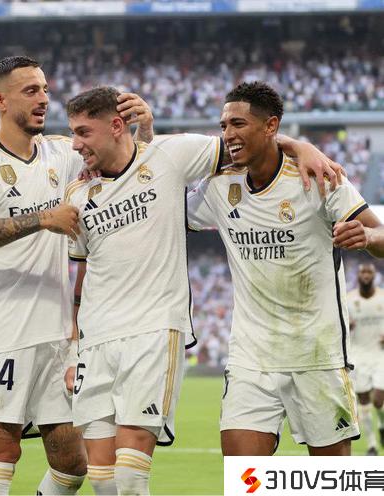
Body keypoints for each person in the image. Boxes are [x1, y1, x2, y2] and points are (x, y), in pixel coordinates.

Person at [63, 85, 345, 494]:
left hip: (157, 330)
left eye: (83, 132)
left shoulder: (172, 155)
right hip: (101, 338)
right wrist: (75, 343)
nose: (75, 144)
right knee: (103, 478)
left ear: (117, 125)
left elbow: (248, 142)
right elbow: (84, 270)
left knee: (130, 476)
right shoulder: (78, 191)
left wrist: (301, 146)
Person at [0, 55, 154, 496]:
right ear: (0, 101)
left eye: (44, 89)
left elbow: (129, 170)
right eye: (31, 91)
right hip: (4, 332)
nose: (44, 98)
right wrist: (42, 218)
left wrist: (144, 130)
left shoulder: (62, 152)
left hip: (58, 336)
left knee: (72, 464)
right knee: (2, 450)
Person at [187, 81, 384, 456]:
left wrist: (368, 237)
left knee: (332, 478)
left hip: (317, 354)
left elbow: (380, 235)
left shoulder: (319, 178)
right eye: (224, 125)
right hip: (251, 357)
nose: (228, 134)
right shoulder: (219, 186)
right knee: (244, 477)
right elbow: (165, 211)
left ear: (271, 126)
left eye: (238, 124)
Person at [347, 263, 384, 455]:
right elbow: (337, 325)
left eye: (370, 272)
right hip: (358, 354)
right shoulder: (348, 300)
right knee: (363, 400)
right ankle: (371, 445)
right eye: (363, 272)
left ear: (374, 275)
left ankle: (382, 425)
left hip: (380, 354)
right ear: (358, 275)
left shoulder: (382, 297)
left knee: (378, 399)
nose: (366, 275)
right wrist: (347, 326)